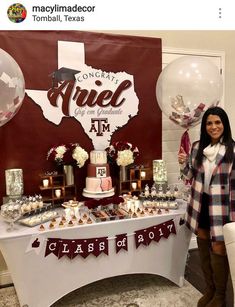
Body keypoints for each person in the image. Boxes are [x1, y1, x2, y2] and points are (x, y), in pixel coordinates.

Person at [178, 106, 235, 307]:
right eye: (209, 123)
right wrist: (183, 163)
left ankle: (220, 296)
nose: (213, 127)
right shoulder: (196, 147)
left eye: (218, 122)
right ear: (205, 126)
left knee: (219, 249)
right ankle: (209, 289)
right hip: (200, 205)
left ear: (224, 125)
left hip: (223, 208)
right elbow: (188, 176)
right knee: (203, 247)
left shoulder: (233, 150)